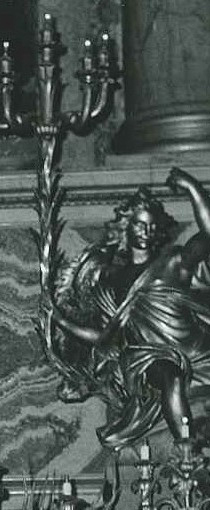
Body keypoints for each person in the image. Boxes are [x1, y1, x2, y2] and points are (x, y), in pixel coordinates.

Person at [49, 166, 210, 446]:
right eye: (140, 224)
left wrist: (193, 189)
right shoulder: (110, 281)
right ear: (127, 226)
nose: (147, 231)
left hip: (196, 347)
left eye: (152, 226)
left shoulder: (173, 262)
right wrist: (61, 320)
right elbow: (104, 337)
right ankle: (189, 451)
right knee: (171, 376)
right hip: (148, 357)